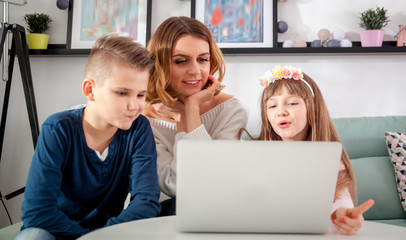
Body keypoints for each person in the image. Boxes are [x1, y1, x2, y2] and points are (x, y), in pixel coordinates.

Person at [15, 35, 161, 240]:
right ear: (90, 90)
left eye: (140, 95)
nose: (134, 105)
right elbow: (37, 213)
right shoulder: (57, 129)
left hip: (109, 235)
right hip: (55, 233)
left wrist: (100, 236)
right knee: (33, 237)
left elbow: (146, 202)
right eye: (122, 93)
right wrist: (86, 237)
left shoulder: (138, 129)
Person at [245, 65, 374, 235]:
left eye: (291, 103)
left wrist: (343, 215)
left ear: (313, 108)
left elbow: (340, 201)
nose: (281, 112)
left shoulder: (329, 158)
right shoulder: (253, 154)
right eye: (272, 106)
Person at [143, 16, 248, 215]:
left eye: (203, 59)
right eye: (181, 61)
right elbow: (176, 186)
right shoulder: (143, 119)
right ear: (159, 64)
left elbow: (212, 181)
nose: (195, 71)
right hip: (164, 215)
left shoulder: (232, 109)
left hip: (222, 211)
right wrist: (184, 118)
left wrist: (190, 112)